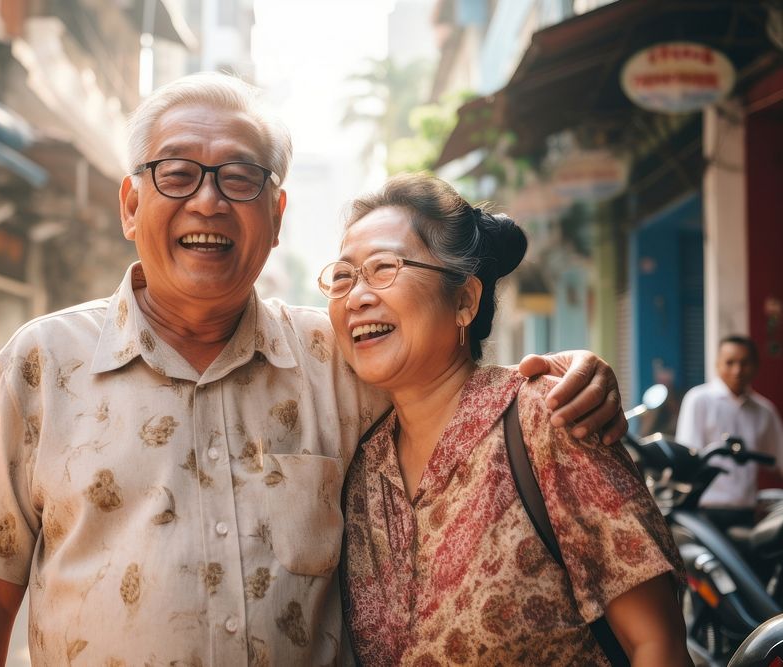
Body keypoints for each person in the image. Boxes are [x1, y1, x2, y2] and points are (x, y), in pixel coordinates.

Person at [0, 73, 628, 666]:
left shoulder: (339, 360)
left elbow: (453, 387)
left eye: (240, 177)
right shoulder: (41, 365)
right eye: (178, 172)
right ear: (132, 203)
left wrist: (563, 376)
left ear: (277, 214)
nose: (208, 199)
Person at [328, 174, 689, 665]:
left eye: (383, 268)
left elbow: (656, 645)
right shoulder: (364, 469)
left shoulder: (545, 418)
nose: (355, 298)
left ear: (464, 301)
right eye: (344, 276)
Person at [675, 335, 783, 528]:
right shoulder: (698, 400)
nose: (737, 370)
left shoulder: (765, 411)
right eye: (730, 362)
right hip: (704, 512)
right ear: (717, 364)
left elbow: (779, 459)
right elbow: (687, 455)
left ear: (756, 366)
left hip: (746, 514)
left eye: (744, 363)